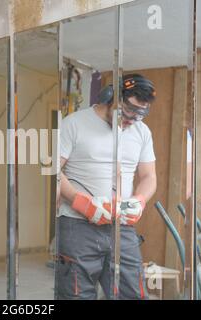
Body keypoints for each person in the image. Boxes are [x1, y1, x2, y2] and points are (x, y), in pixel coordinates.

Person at [56, 73, 157, 300]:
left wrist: (139, 201)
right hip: (78, 226)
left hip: (122, 229)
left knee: (132, 294)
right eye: (128, 110)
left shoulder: (141, 132)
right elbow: (51, 171)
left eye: (140, 113)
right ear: (110, 97)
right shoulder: (74, 123)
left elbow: (149, 176)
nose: (132, 119)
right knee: (76, 295)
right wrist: (80, 201)